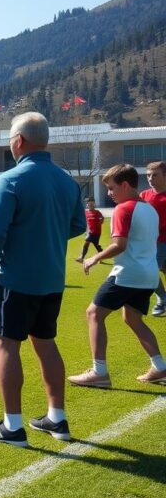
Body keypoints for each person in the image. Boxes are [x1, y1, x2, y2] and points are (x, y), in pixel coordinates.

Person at [0, 112, 86, 448]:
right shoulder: (67, 181)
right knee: (46, 342)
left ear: (19, 140)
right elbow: (79, 226)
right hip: (52, 278)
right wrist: (46, 237)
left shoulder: (11, 179)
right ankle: (57, 417)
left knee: (6, 344)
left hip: (16, 277)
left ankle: (12, 426)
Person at [69, 164, 166, 388]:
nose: (109, 194)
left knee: (93, 314)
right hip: (148, 274)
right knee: (132, 318)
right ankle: (160, 366)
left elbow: (119, 245)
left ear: (125, 185)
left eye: (111, 189)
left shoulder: (124, 209)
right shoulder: (149, 208)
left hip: (128, 273)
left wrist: (95, 258)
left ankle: (99, 372)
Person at [139, 162, 166, 316]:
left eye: (154, 175)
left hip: (162, 241)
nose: (150, 178)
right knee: (150, 272)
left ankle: (162, 300)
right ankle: (163, 298)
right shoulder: (143, 195)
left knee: (150, 272)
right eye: (148, 175)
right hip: (149, 243)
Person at [76, 198, 104, 262]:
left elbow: (101, 219)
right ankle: (102, 255)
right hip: (89, 232)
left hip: (96, 232)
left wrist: (100, 221)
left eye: (92, 203)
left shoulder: (97, 212)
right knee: (96, 245)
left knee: (86, 243)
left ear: (94, 204)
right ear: (87, 204)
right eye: (89, 203)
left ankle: (81, 258)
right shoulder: (86, 213)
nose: (90, 204)